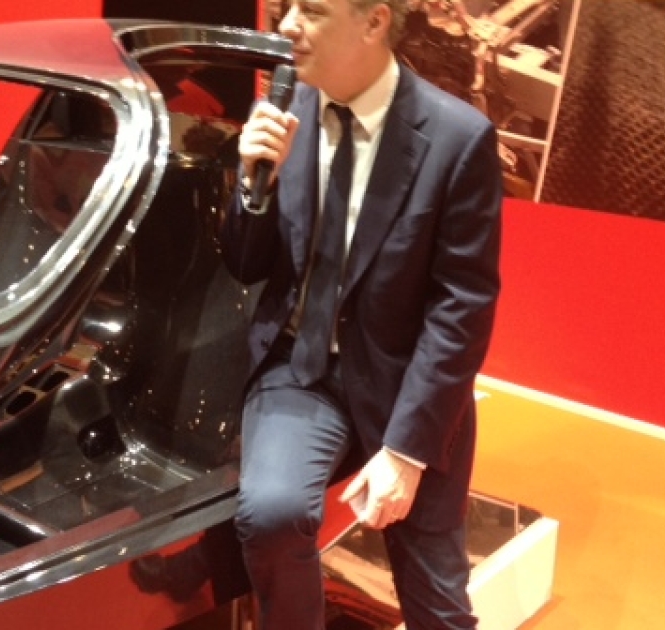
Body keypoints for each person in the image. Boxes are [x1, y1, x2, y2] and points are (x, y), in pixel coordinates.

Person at [221, 0, 502, 628]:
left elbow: (462, 308)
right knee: (270, 515)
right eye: (287, 7)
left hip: (406, 383)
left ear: (374, 23)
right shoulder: (284, 112)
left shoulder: (456, 138)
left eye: (312, 11)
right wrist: (252, 185)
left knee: (438, 607)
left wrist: (406, 452)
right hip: (300, 370)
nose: (286, 25)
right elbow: (244, 263)